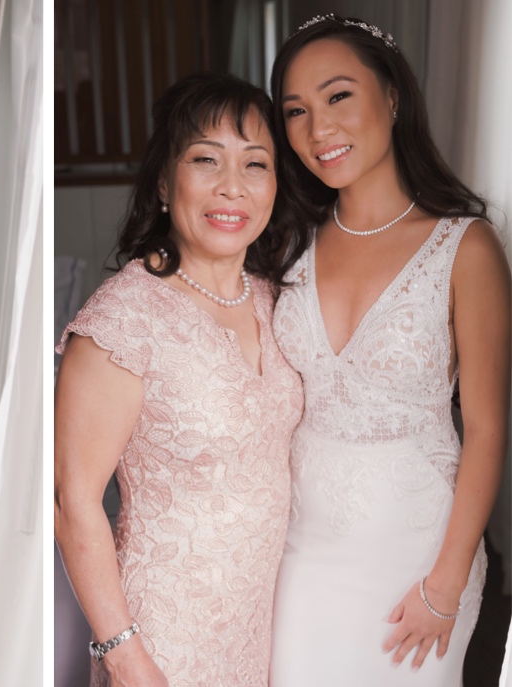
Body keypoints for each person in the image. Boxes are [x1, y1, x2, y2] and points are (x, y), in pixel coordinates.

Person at [268, 15, 510, 685]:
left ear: (393, 96)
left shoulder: (466, 246)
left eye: (338, 95)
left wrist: (447, 581)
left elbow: (488, 428)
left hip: (418, 558)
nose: (319, 129)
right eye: (296, 111)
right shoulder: (288, 241)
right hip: (300, 557)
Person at [54, 72, 308, 687]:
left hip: (256, 628)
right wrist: (125, 656)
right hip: (163, 634)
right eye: (206, 159)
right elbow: (73, 500)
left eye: (256, 164)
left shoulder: (280, 302)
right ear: (165, 181)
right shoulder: (124, 318)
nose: (232, 187)